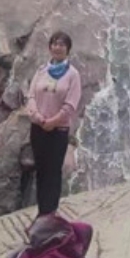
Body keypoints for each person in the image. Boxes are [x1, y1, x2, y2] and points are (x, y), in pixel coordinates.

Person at [25, 31, 83, 217]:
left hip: (58, 130)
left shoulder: (73, 75)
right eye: (54, 44)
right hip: (38, 128)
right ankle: (42, 213)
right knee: (41, 171)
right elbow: (31, 95)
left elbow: (71, 104)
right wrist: (37, 116)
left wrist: (53, 121)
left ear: (68, 49)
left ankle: (51, 213)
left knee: (53, 173)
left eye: (62, 44)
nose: (57, 47)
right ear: (50, 47)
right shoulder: (41, 70)